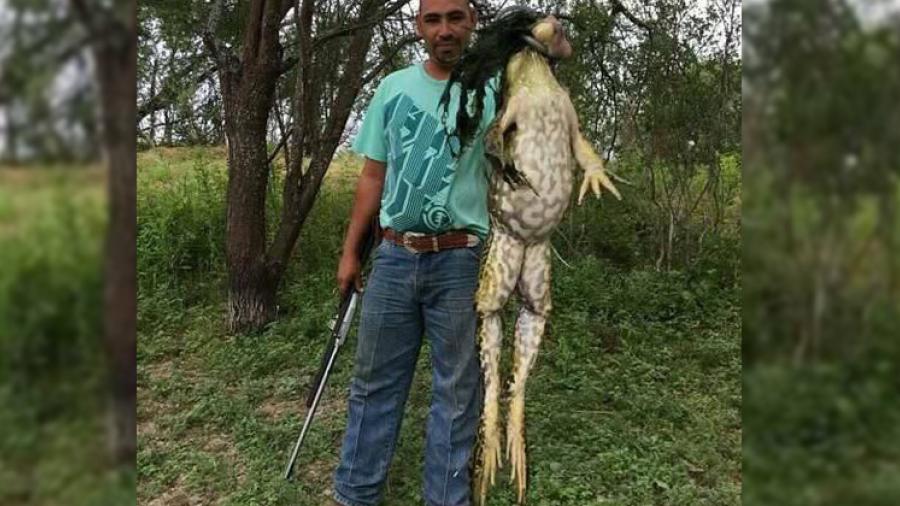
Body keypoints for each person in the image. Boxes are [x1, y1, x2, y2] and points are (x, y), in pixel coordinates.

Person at [328, 0, 496, 505]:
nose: (444, 30)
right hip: (395, 256)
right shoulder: (393, 88)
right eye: (433, 19)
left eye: (455, 18)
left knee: (457, 392)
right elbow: (373, 176)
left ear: (471, 23)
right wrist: (350, 251)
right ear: (418, 26)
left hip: (461, 260)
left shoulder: (493, 91)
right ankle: (356, 493)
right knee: (374, 383)